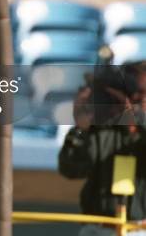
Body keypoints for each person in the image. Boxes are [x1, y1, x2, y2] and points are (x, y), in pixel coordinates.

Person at [59, 61, 146, 236]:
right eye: (132, 92)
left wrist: (138, 119)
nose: (137, 98)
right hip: (98, 228)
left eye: (142, 93)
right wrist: (80, 128)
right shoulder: (102, 130)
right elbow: (71, 169)